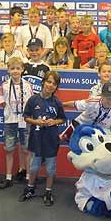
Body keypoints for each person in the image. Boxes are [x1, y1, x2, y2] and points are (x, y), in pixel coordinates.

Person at [19, 71, 66, 206]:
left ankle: (48, 191)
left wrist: (54, 122)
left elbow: (62, 119)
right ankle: (30, 188)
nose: (50, 85)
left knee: (50, 168)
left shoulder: (56, 102)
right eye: (49, 82)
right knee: (34, 167)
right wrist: (36, 122)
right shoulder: (33, 100)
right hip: (37, 138)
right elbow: (26, 117)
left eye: (54, 84)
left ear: (56, 87)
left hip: (51, 140)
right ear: (43, 82)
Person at [0, 57, 34, 188]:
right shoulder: (4, 86)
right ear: (8, 70)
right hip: (10, 121)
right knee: (9, 149)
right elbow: (3, 103)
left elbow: (30, 103)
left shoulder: (27, 85)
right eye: (12, 68)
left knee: (27, 149)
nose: (15, 71)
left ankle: (29, 176)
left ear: (22, 70)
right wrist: (12, 113)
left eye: (18, 68)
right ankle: (8, 177)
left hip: (24, 121)